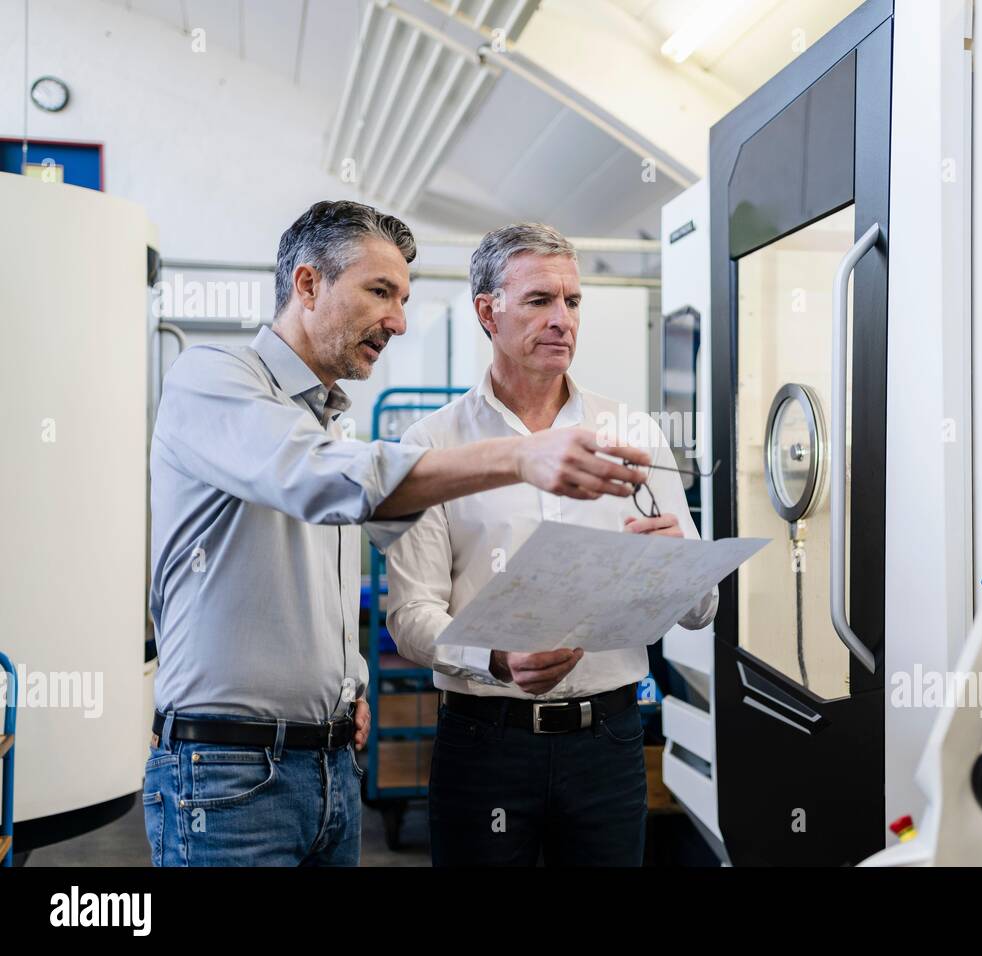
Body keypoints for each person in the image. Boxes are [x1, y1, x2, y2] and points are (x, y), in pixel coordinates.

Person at [145, 202, 648, 866]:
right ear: (307, 286)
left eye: (404, 297)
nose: (399, 321)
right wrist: (518, 456)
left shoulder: (324, 423)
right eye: (380, 291)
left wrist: (347, 682)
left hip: (326, 767)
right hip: (228, 768)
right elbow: (323, 481)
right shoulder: (213, 380)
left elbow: (330, 566)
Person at [387, 222, 716, 866]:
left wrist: (677, 564)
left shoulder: (631, 431)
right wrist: (497, 657)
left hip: (609, 743)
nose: (562, 319)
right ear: (489, 311)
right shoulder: (432, 447)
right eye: (540, 300)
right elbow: (410, 618)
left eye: (572, 301)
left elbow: (700, 610)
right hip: (486, 744)